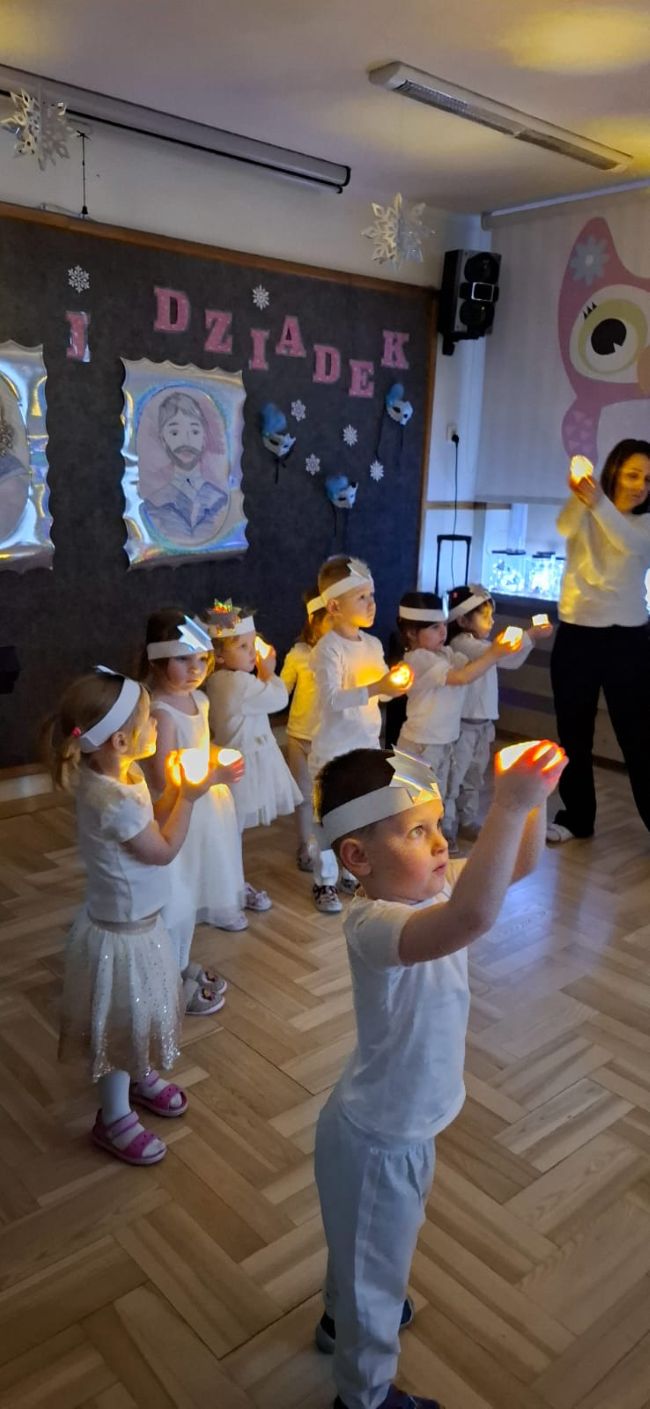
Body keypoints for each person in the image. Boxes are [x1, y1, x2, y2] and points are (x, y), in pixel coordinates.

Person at [313, 740, 567, 1409]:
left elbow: (518, 864)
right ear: (358, 858)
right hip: (379, 1138)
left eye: (437, 824)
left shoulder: (430, 887)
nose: (439, 842)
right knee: (374, 1272)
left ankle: (340, 1315)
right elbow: (474, 917)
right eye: (416, 831)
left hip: (399, 1120)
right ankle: (364, 1396)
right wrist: (507, 804)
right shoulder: (375, 923)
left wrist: (532, 802)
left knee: (363, 1245)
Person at [47, 667, 219, 1165]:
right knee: (121, 1025)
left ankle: (138, 1074)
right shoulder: (112, 799)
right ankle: (113, 1116)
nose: (158, 726)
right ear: (121, 741)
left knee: (138, 1013)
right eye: (149, 721)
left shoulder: (121, 774)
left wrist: (177, 792)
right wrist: (189, 798)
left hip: (139, 925)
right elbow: (161, 850)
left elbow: (149, 819)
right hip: (122, 936)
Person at [140, 610, 248, 1017]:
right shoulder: (161, 712)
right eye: (183, 659)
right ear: (156, 660)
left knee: (195, 886)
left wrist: (219, 757)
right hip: (178, 811)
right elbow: (163, 777)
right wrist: (214, 774)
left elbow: (199, 746)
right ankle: (166, 980)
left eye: (202, 659)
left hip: (205, 810)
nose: (196, 669)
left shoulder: (199, 701)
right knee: (177, 892)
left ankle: (181, 961)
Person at [548, 438, 650, 842]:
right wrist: (581, 495)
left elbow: (630, 544)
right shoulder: (588, 507)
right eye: (633, 475)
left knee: (639, 736)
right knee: (573, 734)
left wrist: (597, 502)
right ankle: (577, 817)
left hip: (629, 640)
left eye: (648, 479)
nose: (640, 485)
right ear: (614, 472)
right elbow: (563, 527)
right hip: (577, 635)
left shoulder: (644, 524)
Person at [309, 556, 410, 914]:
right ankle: (324, 880)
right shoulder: (328, 649)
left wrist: (394, 685)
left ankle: (351, 870)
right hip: (333, 750)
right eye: (361, 597)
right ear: (334, 607)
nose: (371, 604)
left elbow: (381, 690)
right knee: (327, 817)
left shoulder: (372, 645)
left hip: (365, 746)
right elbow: (332, 699)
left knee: (360, 814)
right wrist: (377, 687)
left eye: (372, 595)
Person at [395, 591, 517, 852]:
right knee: (416, 798)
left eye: (443, 625)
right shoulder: (419, 659)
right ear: (411, 633)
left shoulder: (444, 653)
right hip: (421, 743)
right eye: (434, 627)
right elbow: (462, 677)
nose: (443, 631)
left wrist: (497, 651)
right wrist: (494, 653)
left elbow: (470, 666)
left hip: (443, 741)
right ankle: (412, 845)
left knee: (440, 791)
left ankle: (435, 836)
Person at [203, 601, 300, 908]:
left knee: (231, 830)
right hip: (242, 768)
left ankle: (229, 884)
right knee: (230, 830)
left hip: (242, 759)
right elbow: (279, 698)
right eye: (242, 646)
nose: (251, 653)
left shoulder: (220, 680)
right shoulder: (239, 683)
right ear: (220, 655)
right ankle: (229, 889)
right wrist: (268, 672)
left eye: (252, 644)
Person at [446, 583, 551, 841]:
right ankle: (445, 826)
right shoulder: (462, 644)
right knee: (453, 777)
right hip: (463, 726)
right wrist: (529, 635)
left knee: (474, 775)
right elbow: (498, 655)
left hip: (483, 725)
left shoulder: (484, 646)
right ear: (462, 620)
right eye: (485, 616)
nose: (492, 621)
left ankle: (466, 819)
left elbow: (509, 660)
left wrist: (530, 639)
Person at [280, 587, 331, 873]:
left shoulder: (343, 654)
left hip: (330, 739)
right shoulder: (299, 654)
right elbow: (281, 690)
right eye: (330, 620)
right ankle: (305, 846)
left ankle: (328, 847)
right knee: (303, 795)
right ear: (314, 620)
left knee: (326, 795)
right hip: (299, 736)